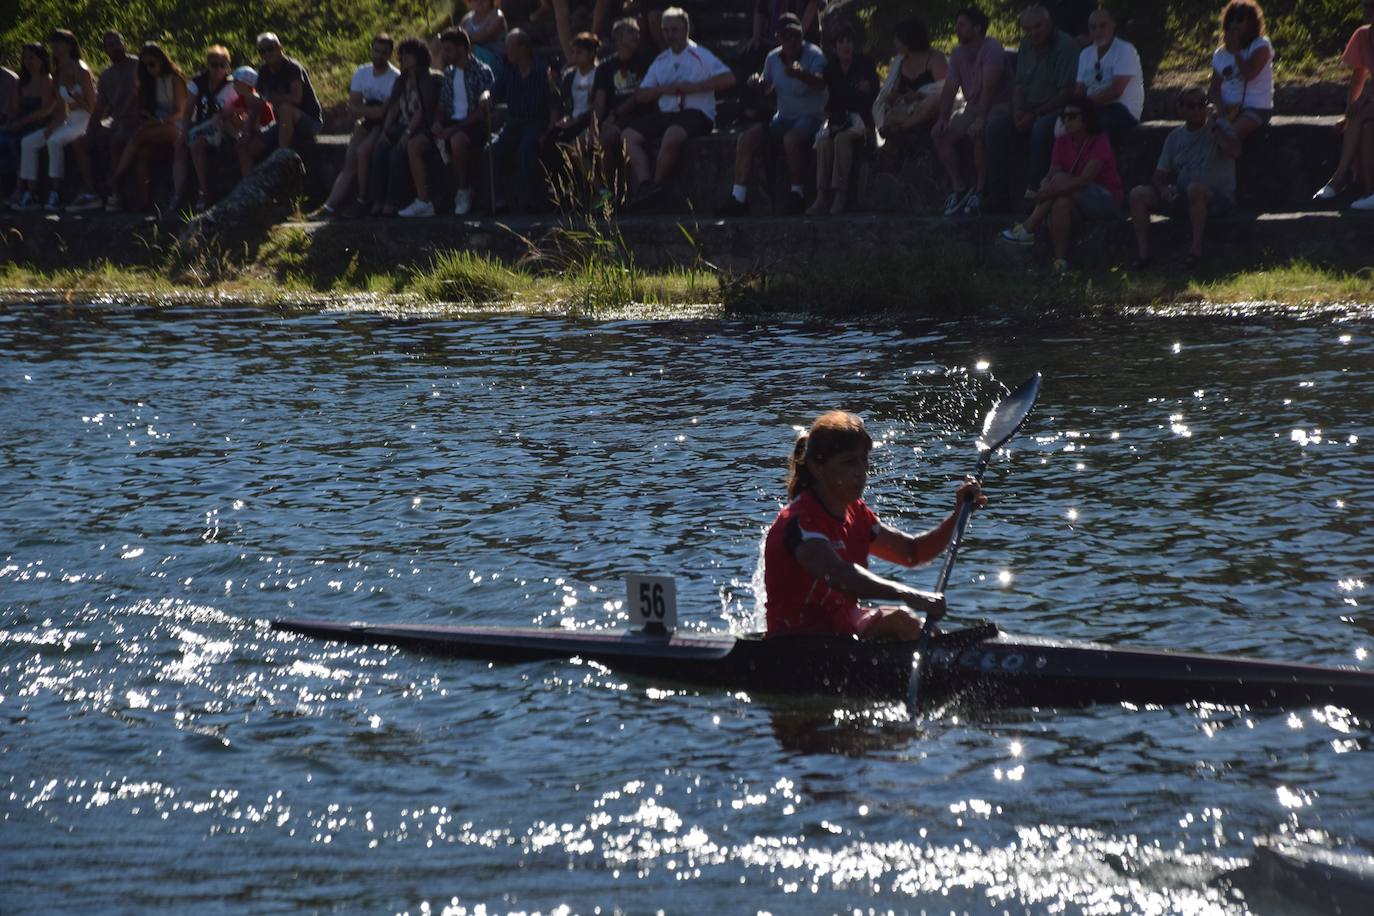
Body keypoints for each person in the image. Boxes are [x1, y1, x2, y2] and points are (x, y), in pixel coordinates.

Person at [762, 410, 985, 641]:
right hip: (796, 642)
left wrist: (958, 515)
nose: (861, 471)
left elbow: (912, 552)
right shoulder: (800, 522)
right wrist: (908, 594)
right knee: (902, 618)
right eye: (849, 461)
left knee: (905, 620)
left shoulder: (855, 512)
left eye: (864, 459)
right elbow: (838, 574)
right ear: (817, 467)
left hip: (842, 628)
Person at [621, 7, 735, 209]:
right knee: (629, 135)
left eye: (674, 29)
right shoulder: (661, 60)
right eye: (666, 30)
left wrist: (695, 88)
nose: (670, 35)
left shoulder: (700, 55)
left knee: (673, 135)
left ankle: (656, 186)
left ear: (686, 29)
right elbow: (641, 95)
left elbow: (729, 79)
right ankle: (646, 185)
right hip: (667, 114)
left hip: (697, 113)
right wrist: (665, 89)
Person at [998, 96, 1121, 272]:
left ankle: (1028, 227)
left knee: (1060, 183)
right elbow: (1052, 172)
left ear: (1085, 118)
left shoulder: (1099, 141)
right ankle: (1060, 262)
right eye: (1064, 116)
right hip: (1075, 197)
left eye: (1073, 116)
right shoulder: (1062, 141)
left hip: (1104, 200)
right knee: (1061, 201)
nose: (1067, 120)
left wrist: (1047, 193)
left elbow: (1083, 180)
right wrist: (1045, 183)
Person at [719, 14, 826, 216]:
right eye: (787, 36)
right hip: (783, 117)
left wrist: (801, 74)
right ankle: (738, 197)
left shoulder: (814, 55)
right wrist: (758, 83)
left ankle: (797, 195)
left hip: (812, 117)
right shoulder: (772, 58)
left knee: (790, 138)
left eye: (796, 36)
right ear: (779, 37)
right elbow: (768, 89)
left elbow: (822, 82)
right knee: (746, 138)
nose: (792, 41)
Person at [1126, 88, 1240, 270]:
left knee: (1195, 189)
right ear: (1180, 110)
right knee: (1138, 194)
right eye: (1190, 105)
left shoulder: (1221, 127)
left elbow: (1233, 152)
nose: (1196, 110)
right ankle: (1143, 257)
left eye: (1201, 104)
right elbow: (1159, 174)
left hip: (1218, 199)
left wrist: (1214, 125)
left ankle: (1195, 253)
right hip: (1185, 197)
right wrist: (1163, 189)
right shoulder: (1175, 137)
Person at [986, 4, 1078, 212]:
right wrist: (1018, 110)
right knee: (995, 126)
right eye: (1027, 29)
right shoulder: (1025, 45)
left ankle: (1035, 193)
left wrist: (1034, 114)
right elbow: (1019, 85)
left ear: (1049, 23)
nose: (1033, 33)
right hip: (1028, 106)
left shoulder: (1066, 46)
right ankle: (997, 196)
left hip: (1056, 108)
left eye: (1038, 27)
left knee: (1041, 129)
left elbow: (1066, 93)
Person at [932, 6, 1010, 216]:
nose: (957, 29)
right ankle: (960, 189)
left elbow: (989, 88)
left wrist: (980, 119)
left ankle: (980, 189)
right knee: (939, 134)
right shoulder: (957, 53)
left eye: (962, 25)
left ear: (977, 28)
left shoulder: (992, 48)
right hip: (973, 107)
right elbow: (950, 88)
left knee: (978, 133)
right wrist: (942, 118)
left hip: (998, 105)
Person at [317, 34, 399, 218]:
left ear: (390, 54)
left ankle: (363, 199)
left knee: (364, 152)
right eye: (376, 51)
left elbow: (381, 113)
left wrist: (365, 109)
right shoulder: (362, 72)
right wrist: (369, 109)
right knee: (350, 162)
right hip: (364, 124)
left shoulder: (395, 77)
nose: (379, 55)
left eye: (384, 52)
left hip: (384, 125)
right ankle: (329, 206)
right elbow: (352, 108)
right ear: (371, 50)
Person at [16, 30, 95, 212]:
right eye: (53, 44)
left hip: (85, 119)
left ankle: (56, 191)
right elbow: (61, 110)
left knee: (54, 141)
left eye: (58, 44)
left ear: (68, 45)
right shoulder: (58, 72)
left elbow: (92, 106)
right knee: (28, 142)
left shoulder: (81, 70)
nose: (54, 48)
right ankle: (31, 193)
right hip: (68, 120)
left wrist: (74, 94)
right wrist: (52, 125)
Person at [104, 43, 185, 212]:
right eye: (145, 65)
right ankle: (144, 200)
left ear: (161, 61)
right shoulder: (149, 82)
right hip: (156, 126)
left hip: (176, 126)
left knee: (139, 135)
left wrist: (158, 121)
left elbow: (181, 112)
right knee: (141, 153)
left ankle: (116, 177)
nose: (149, 68)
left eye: (152, 64)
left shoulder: (175, 79)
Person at [809, 21, 878, 216]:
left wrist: (867, 88)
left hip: (860, 120)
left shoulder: (864, 63)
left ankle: (841, 193)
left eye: (849, 41)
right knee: (823, 142)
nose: (846, 46)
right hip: (838, 119)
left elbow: (874, 90)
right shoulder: (831, 69)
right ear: (834, 46)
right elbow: (830, 100)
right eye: (841, 42)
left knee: (841, 140)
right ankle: (822, 195)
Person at [368, 37, 443, 218]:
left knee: (397, 153)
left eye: (406, 54)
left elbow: (422, 111)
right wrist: (385, 132)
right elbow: (394, 108)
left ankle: (394, 202)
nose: (402, 58)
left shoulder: (429, 78)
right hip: (401, 126)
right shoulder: (402, 80)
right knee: (380, 150)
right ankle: (377, 200)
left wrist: (408, 133)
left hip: (420, 128)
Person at [66, 32, 139, 211]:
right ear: (105, 49)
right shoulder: (106, 76)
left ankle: (116, 192)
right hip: (115, 119)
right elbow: (100, 107)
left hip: (136, 119)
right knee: (80, 141)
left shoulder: (137, 65)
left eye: (117, 43)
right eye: (110, 44)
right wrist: (92, 127)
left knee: (117, 139)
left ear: (125, 44)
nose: (115, 47)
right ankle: (91, 192)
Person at [186, 67, 276, 210]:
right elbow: (223, 115)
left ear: (246, 85)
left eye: (236, 82)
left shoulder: (258, 102)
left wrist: (243, 127)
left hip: (261, 135)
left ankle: (249, 186)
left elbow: (263, 125)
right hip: (244, 135)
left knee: (242, 148)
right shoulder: (239, 100)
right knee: (227, 122)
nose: (233, 85)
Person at [1313, 1, 1374, 210]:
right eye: (1367, 6)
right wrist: (1350, 112)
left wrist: (1360, 105)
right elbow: (1358, 76)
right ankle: (1368, 192)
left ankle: (1338, 179)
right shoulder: (1363, 35)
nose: (1368, 11)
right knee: (1365, 127)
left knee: (1360, 117)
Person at [489, 30, 555, 213]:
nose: (506, 51)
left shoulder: (542, 71)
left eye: (510, 47)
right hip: (513, 124)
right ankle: (499, 200)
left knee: (527, 148)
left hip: (536, 123)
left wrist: (549, 129)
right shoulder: (508, 70)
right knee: (493, 149)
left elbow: (553, 103)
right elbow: (493, 91)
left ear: (523, 48)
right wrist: (486, 97)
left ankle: (531, 201)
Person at [434, 28, 495, 217]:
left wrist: (455, 128)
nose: (445, 53)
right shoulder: (449, 73)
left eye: (449, 49)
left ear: (462, 48)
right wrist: (437, 122)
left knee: (457, 140)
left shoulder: (482, 71)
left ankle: (464, 188)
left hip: (473, 125)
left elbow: (481, 111)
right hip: (452, 123)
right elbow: (443, 104)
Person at [240, 32, 322, 169]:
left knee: (285, 108)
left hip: (308, 122)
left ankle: (281, 156)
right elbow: (257, 105)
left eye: (270, 48)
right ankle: (250, 187)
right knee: (244, 148)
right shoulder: (264, 72)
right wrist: (247, 133)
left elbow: (296, 99)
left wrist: (268, 97)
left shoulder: (293, 68)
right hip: (283, 125)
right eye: (262, 51)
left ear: (280, 47)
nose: (266, 53)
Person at [171, 45, 237, 208]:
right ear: (208, 64)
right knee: (179, 145)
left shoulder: (232, 85)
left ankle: (204, 192)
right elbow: (188, 110)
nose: (218, 69)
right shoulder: (198, 82)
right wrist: (184, 131)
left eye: (223, 65)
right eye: (214, 65)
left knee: (196, 145)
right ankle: (178, 194)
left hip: (222, 127)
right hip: (202, 125)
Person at [872, 18, 947, 148]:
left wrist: (918, 95)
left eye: (897, 39)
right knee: (889, 116)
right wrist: (894, 98)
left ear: (908, 41)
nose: (894, 42)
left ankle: (902, 128)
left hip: (929, 106)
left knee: (932, 102)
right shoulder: (900, 62)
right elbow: (893, 91)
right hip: (908, 108)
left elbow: (944, 90)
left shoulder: (935, 58)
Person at [1208, 0, 1273, 146]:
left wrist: (1237, 51)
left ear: (1250, 23)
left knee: (1229, 135)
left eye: (1240, 20)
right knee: (1203, 132)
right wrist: (1220, 107)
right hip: (1228, 108)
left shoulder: (1261, 45)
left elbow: (1249, 74)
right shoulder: (1220, 53)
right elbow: (1213, 88)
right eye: (1231, 19)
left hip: (1255, 108)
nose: (1234, 24)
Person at [1073, 7, 1143, 142]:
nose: (1098, 31)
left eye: (1102, 26)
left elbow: (1116, 91)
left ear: (1113, 25)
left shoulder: (1125, 50)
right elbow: (1079, 90)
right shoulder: (1085, 54)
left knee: (1093, 125)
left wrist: (1085, 105)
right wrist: (1073, 110)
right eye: (1093, 27)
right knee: (1055, 125)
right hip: (1092, 108)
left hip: (1122, 110)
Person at [3, 44, 55, 209]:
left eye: (32, 57)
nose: (28, 62)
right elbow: (15, 109)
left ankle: (21, 188)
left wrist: (21, 122)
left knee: (19, 141)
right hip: (21, 123)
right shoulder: (22, 82)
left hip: (40, 123)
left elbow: (46, 109)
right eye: (25, 58)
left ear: (41, 59)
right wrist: (12, 120)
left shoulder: (48, 80)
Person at [461, 0, 509, 70]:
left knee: (462, 50)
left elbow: (483, 37)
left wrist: (462, 37)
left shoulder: (497, 16)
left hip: (494, 59)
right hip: (471, 56)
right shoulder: (467, 19)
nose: (479, 1)